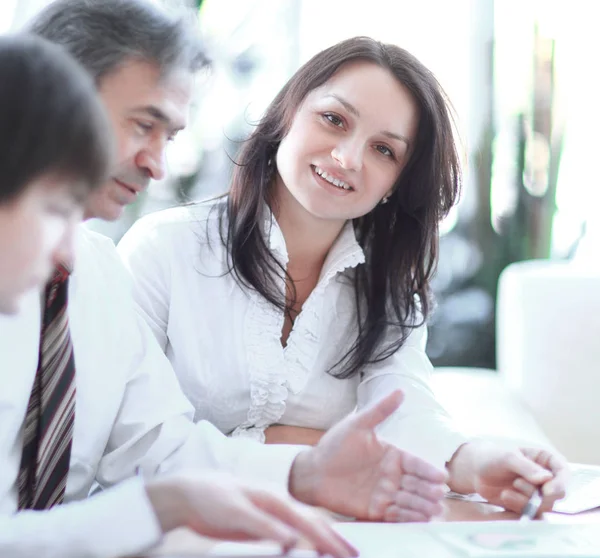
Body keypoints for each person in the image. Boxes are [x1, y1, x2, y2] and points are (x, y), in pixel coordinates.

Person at [0, 3, 449, 558]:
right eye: (143, 125)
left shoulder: (95, 274)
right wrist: (153, 509)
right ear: (56, 92)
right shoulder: (154, 249)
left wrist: (308, 472)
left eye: (171, 136)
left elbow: (162, 449)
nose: (157, 165)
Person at [118, 36, 569, 515]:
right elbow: (136, 448)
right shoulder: (163, 249)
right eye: (334, 120)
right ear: (287, 114)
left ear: (398, 183)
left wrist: (476, 461)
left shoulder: (388, 285)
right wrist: (308, 452)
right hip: (163, 539)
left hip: (310, 541)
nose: (349, 158)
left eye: (384, 150)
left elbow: (405, 409)